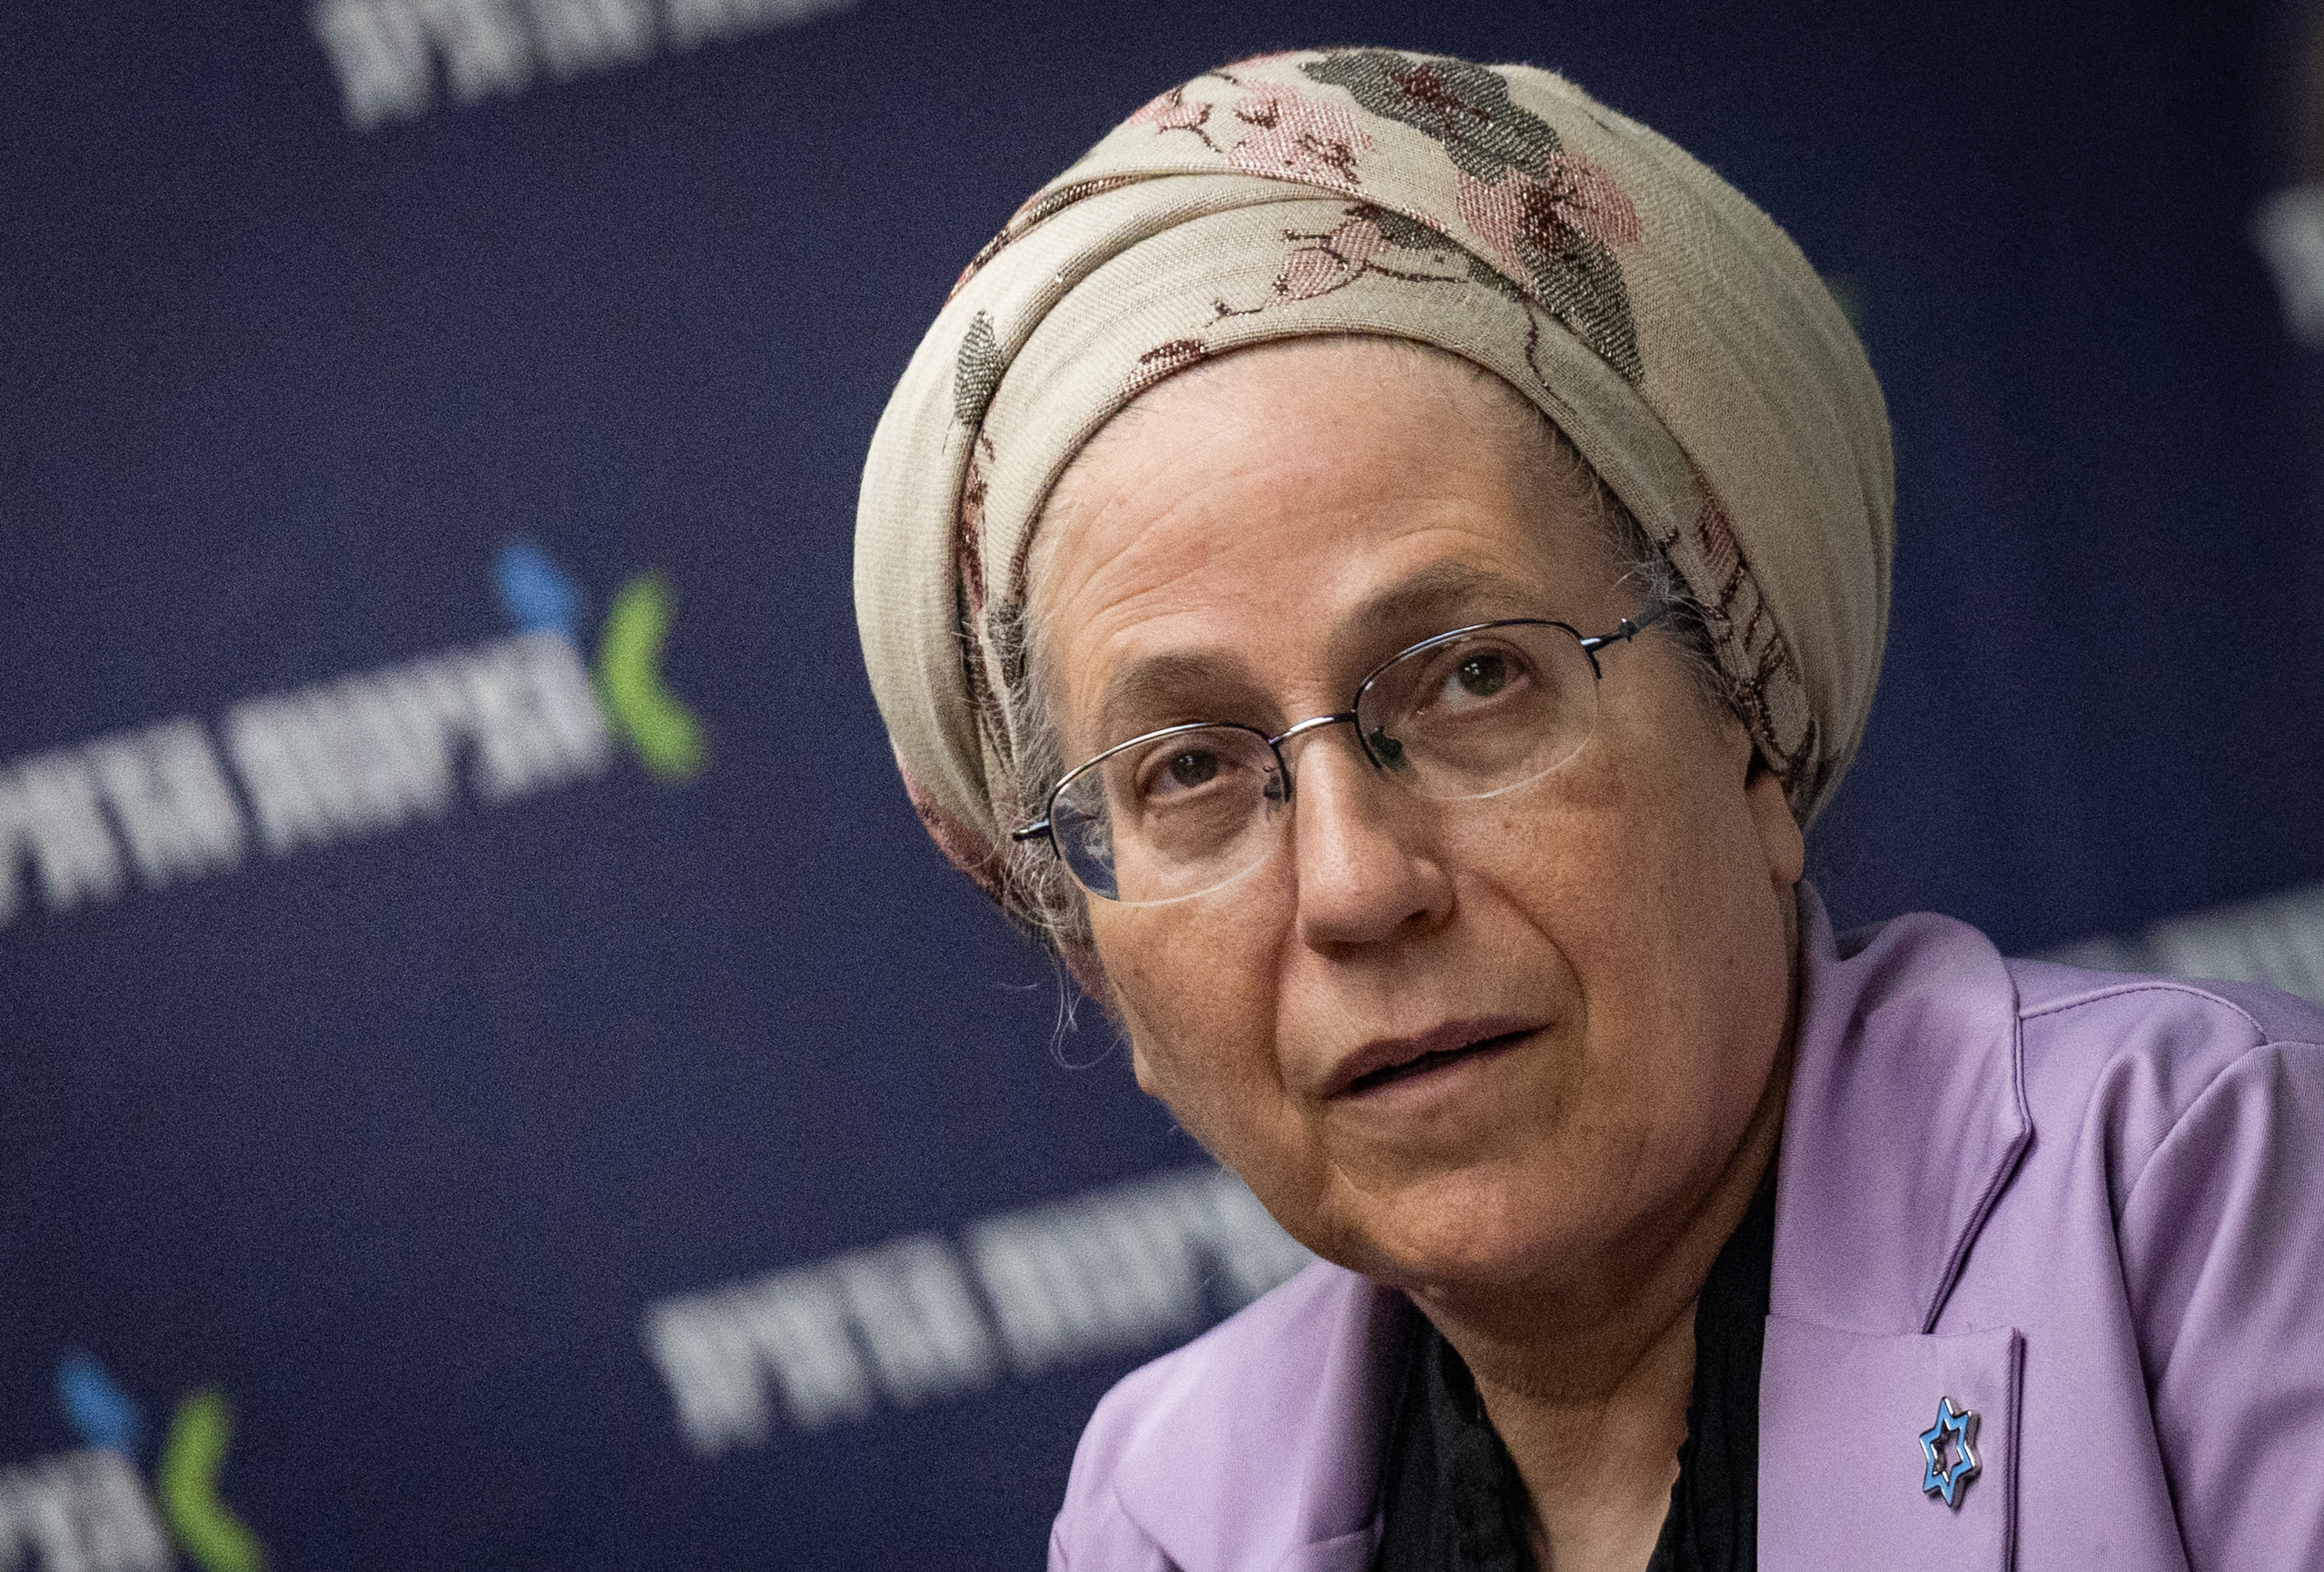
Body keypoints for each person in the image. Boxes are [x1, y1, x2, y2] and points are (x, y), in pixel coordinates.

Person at [852, 47, 2324, 1572]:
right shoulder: (1166, 1513)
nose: (1356, 886)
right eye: (1190, 771)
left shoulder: (2193, 1188)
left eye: (1472, 678)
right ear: (1099, 965)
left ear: (1747, 729)